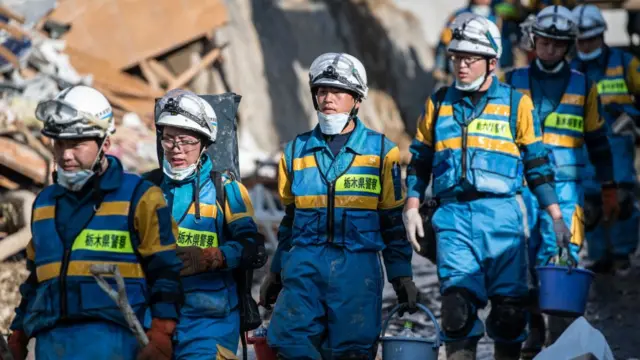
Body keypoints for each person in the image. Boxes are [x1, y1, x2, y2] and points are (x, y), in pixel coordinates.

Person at [404, 13, 564, 360]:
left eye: (470, 59)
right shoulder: (438, 103)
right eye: (457, 57)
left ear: (492, 62)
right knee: (456, 312)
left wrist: (555, 216)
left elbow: (537, 164)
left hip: (504, 217)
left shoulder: (516, 104)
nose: (461, 65)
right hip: (454, 218)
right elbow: (419, 160)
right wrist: (412, 207)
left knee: (510, 315)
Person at [260, 52, 417, 360]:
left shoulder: (381, 152)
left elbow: (391, 224)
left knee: (352, 352)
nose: (327, 97)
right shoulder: (295, 151)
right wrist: (275, 271)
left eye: (337, 91)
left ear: (357, 99)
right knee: (290, 345)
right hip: (304, 270)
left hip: (357, 273)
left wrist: (402, 276)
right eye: (321, 90)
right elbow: (290, 222)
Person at [7, 85, 182, 360]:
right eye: (59, 143)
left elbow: (166, 270)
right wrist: (18, 335)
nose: (65, 155)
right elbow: (36, 280)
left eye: (76, 144)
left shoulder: (141, 197)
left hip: (118, 342)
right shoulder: (44, 203)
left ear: (105, 144)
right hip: (52, 344)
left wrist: (161, 332)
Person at [503, 5, 618, 356]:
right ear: (533, 41)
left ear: (567, 46)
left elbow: (598, 140)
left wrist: (609, 186)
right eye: (544, 42)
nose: (550, 49)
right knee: (521, 261)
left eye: (557, 44)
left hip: (567, 192)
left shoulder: (585, 86)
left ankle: (558, 341)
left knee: (560, 261)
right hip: (520, 188)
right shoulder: (512, 82)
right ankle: (533, 331)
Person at [152, 89, 264, 359]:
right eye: (168, 140)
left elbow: (254, 248)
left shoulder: (226, 190)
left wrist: (213, 257)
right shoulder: (146, 189)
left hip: (209, 321)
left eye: (186, 141)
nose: (176, 149)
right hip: (154, 318)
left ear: (204, 143)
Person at [571, 4, 640, 274]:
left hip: (617, 146)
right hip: (585, 150)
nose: (586, 45)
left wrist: (633, 118)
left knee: (621, 201)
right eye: (581, 40)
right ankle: (599, 257)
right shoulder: (571, 69)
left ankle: (623, 254)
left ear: (602, 35)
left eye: (591, 39)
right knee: (591, 206)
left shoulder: (625, 63)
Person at [435, 0, 514, 84]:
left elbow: (506, 46)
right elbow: (444, 43)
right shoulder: (459, 16)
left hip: (493, 73)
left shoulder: (499, 17)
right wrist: (440, 67)